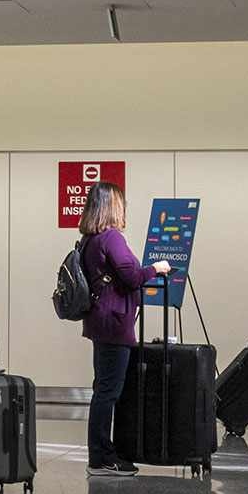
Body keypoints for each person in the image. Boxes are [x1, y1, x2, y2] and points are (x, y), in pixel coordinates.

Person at [78, 181, 173, 478]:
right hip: (114, 322)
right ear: (111, 207)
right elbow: (131, 277)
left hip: (100, 321)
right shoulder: (111, 238)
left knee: (103, 388)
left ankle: (101, 454)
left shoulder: (89, 240)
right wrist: (156, 268)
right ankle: (101, 458)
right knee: (108, 392)